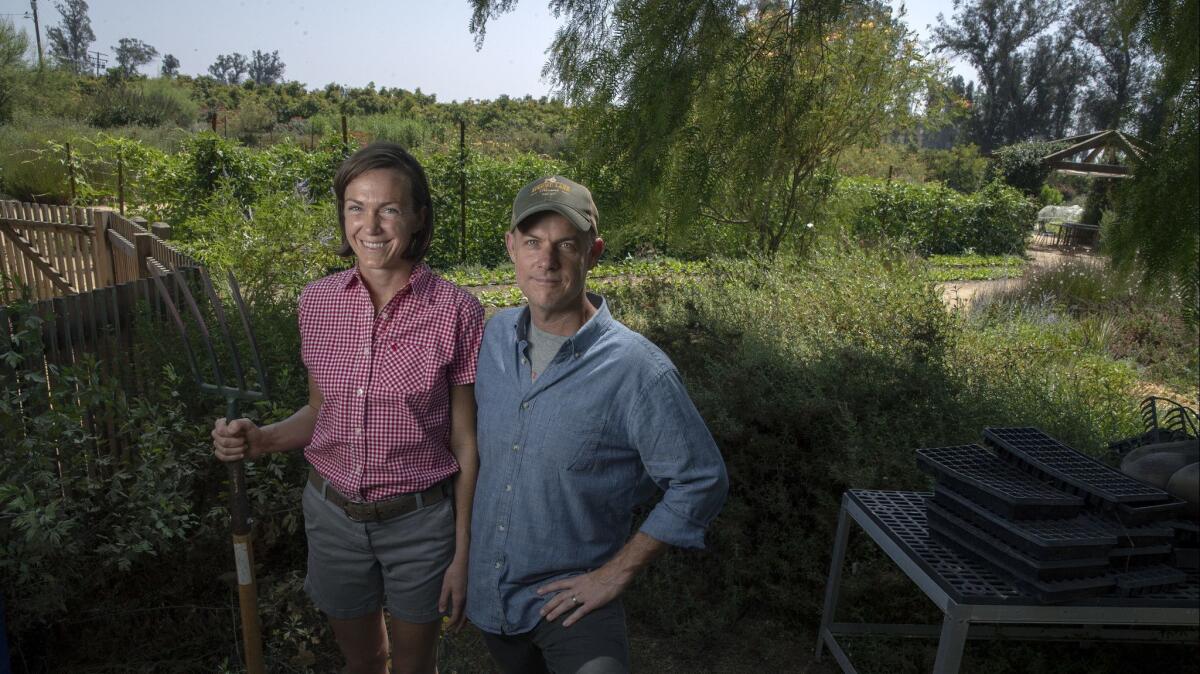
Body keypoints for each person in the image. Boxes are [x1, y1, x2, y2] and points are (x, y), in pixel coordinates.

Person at [211, 142, 484, 674]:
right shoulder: (317, 302)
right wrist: (259, 438)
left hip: (419, 523)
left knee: (413, 666)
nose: (371, 225)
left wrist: (462, 549)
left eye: (389, 208)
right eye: (356, 207)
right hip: (332, 517)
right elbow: (320, 412)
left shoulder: (457, 311)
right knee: (363, 661)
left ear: (417, 217)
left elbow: (466, 442)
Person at [467, 176, 729, 673]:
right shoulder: (493, 337)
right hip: (493, 597)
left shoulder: (638, 371)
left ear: (594, 252)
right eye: (532, 243)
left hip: (575, 605)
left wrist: (615, 574)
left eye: (566, 244)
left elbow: (699, 479)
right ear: (510, 248)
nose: (547, 262)